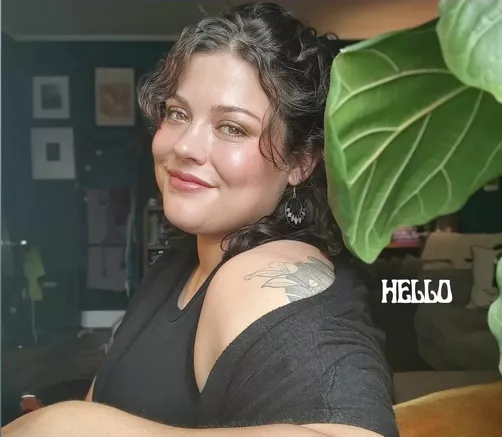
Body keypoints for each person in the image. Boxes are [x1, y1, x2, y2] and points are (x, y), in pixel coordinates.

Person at [2, 3, 398, 437]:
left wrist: (68, 425)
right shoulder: (183, 261)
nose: (185, 146)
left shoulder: (267, 274)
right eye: (178, 113)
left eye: (233, 128)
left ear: (301, 162)